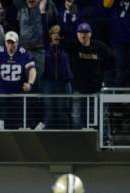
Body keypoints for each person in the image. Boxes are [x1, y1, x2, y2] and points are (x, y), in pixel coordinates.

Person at [64, 23, 115, 132]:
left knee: (101, 116)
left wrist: (106, 79)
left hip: (97, 89)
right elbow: (63, 38)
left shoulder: (100, 47)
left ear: (90, 34)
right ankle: (79, 141)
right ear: (77, 34)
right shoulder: (73, 47)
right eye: (81, 33)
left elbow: (112, 61)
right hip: (78, 88)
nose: (83, 35)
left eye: (86, 32)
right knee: (76, 116)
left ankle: (105, 141)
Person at [0, 31, 37, 129]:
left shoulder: (23, 53)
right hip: (3, 91)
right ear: (5, 42)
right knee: (2, 117)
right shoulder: (0, 52)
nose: (10, 45)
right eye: (8, 42)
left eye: (12, 42)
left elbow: (32, 70)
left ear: (17, 42)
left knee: (17, 119)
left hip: (18, 92)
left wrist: (30, 83)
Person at [41, 2, 73, 130]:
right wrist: (42, 13)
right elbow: (43, 28)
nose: (56, 35)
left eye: (58, 33)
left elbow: (69, 29)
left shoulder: (66, 47)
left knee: (62, 112)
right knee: (49, 113)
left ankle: (65, 139)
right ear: (50, 36)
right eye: (53, 33)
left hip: (63, 83)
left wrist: (68, 13)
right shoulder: (46, 47)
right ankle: (48, 140)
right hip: (48, 83)